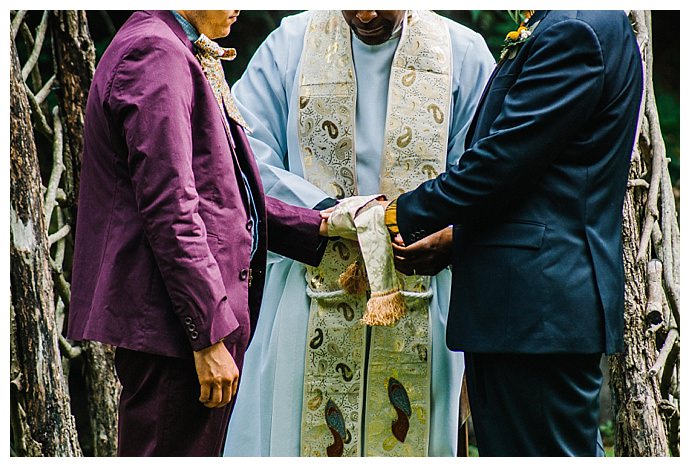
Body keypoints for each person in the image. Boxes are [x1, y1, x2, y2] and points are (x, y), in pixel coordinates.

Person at [224, 10, 494, 456]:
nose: (365, 14)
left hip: (422, 297)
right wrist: (329, 216)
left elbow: (487, 170)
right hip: (308, 298)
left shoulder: (462, 53)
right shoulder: (291, 43)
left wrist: (449, 233)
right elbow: (243, 156)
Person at [68, 10, 333, 456]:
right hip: (176, 334)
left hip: (183, 329)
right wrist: (208, 335)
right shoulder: (155, 53)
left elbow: (223, 197)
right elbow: (170, 207)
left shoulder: (173, 47)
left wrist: (325, 224)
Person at [384, 10, 643, 456]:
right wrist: (455, 239)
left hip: (536, 309)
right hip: (524, 307)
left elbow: (502, 161)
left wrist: (399, 214)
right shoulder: (569, 22)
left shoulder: (575, 27)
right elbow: (544, 178)